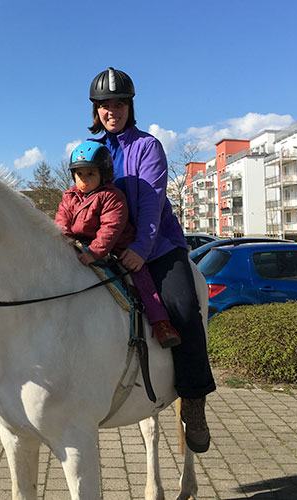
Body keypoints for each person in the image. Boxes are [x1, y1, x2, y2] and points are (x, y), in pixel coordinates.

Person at [87, 67, 216, 453]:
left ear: (130, 107)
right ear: (96, 111)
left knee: (181, 306)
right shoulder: (91, 151)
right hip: (108, 247)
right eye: (105, 105)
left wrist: (141, 251)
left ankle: (193, 399)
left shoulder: (148, 147)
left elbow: (152, 205)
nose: (113, 111)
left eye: (120, 104)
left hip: (157, 248)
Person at [55, 140, 181, 349]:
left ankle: (161, 323)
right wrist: (63, 240)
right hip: (82, 245)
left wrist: (95, 252)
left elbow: (110, 229)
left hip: (116, 247)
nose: (83, 180)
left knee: (140, 277)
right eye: (79, 174)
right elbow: (62, 219)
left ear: (103, 175)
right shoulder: (69, 196)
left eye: (90, 174)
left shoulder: (112, 197)